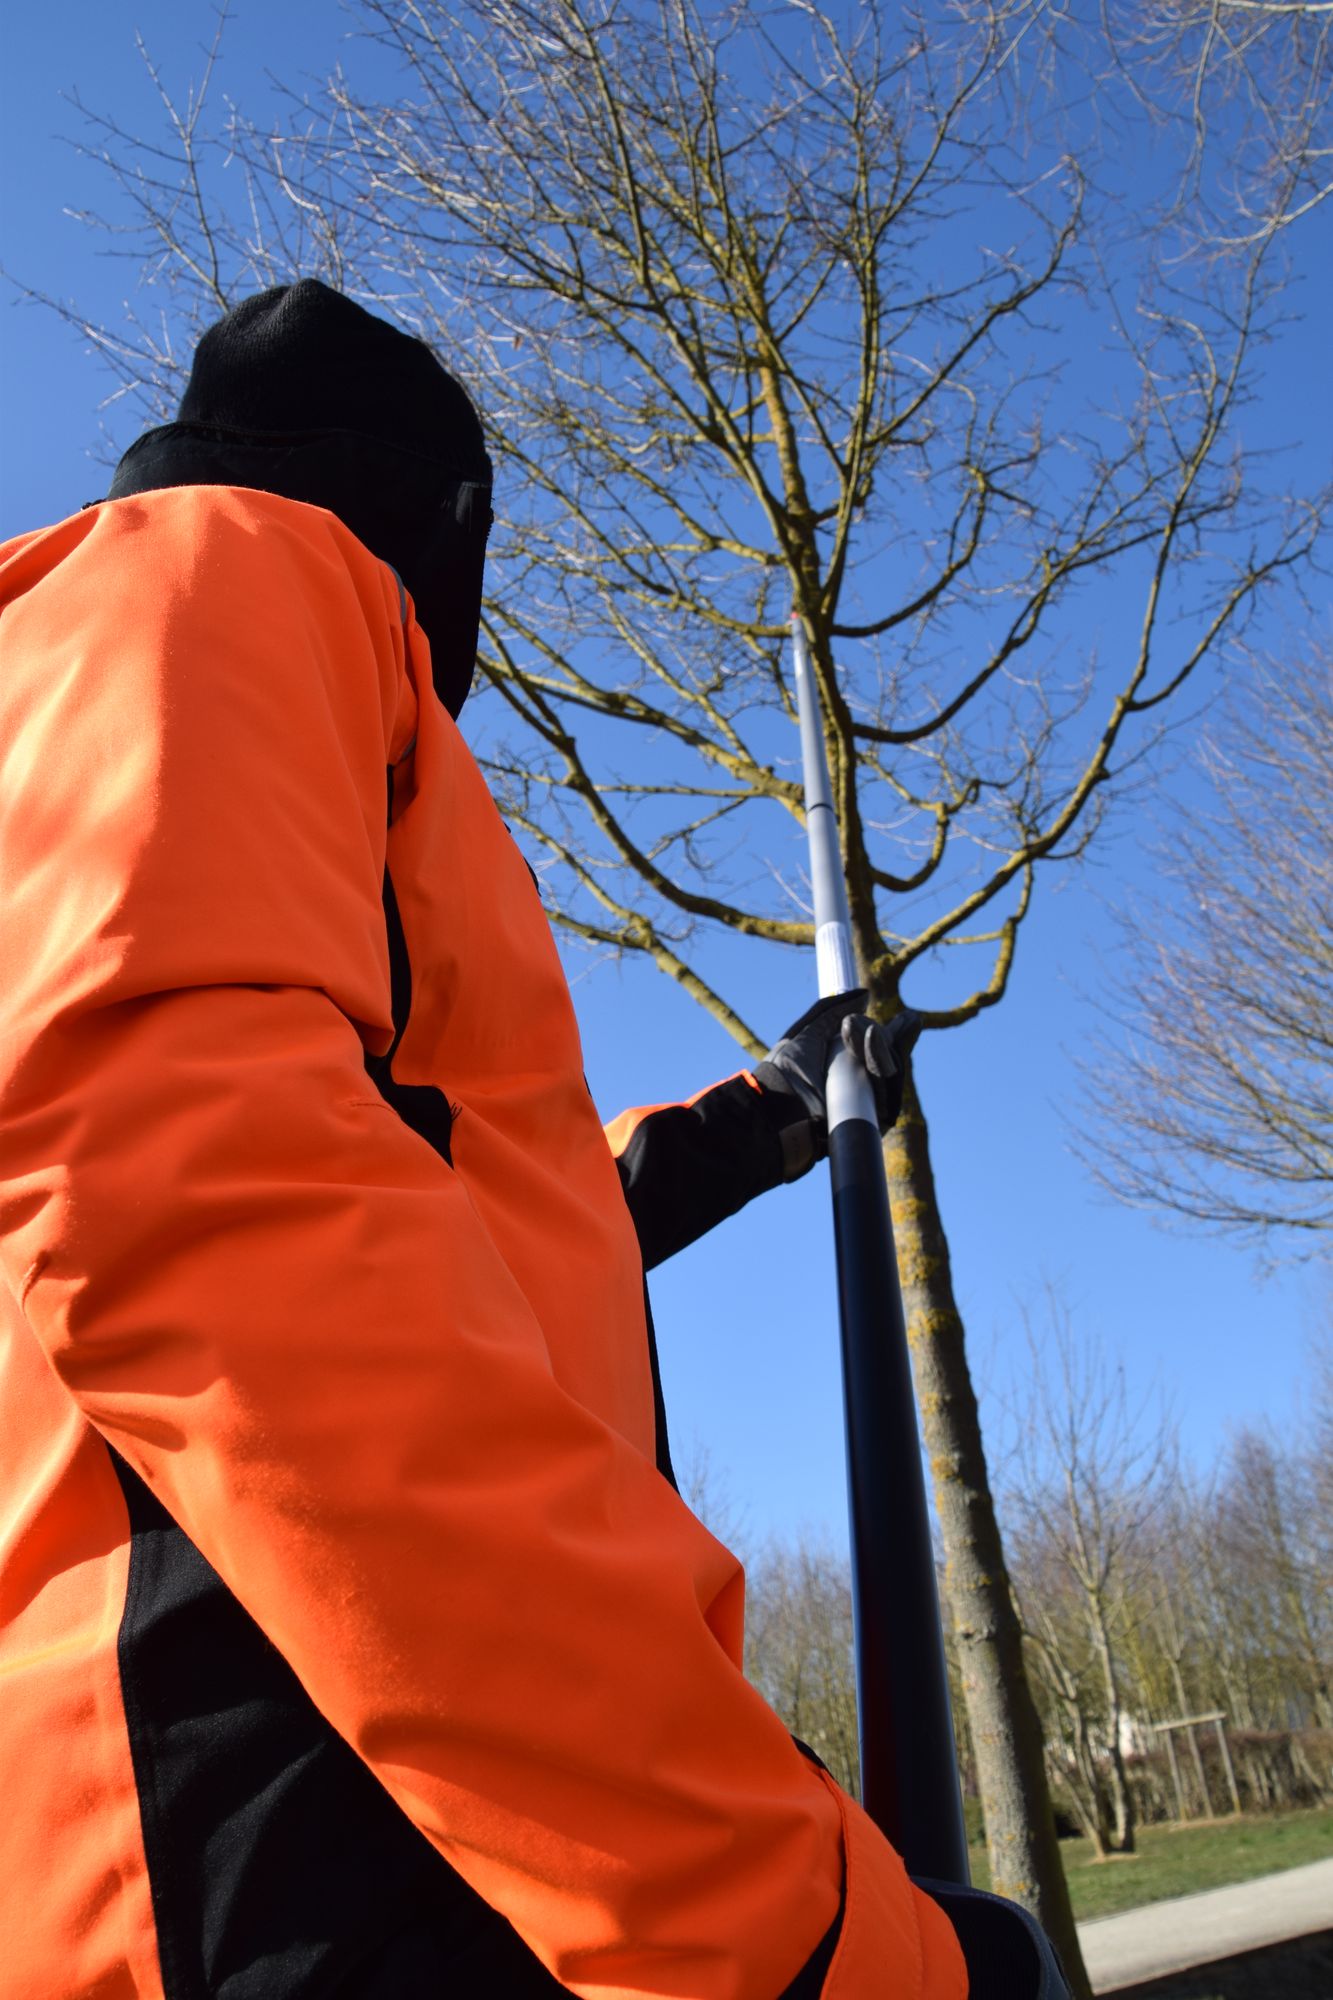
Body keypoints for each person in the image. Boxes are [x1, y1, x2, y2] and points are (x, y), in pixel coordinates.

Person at [0, 281, 963, 1999]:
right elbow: (212, 1217)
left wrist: (768, 1108)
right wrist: (803, 1931)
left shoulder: (188, 677)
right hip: (298, 1849)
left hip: (314, 1835)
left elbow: (444, 1212)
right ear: (443, 523)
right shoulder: (225, 575)